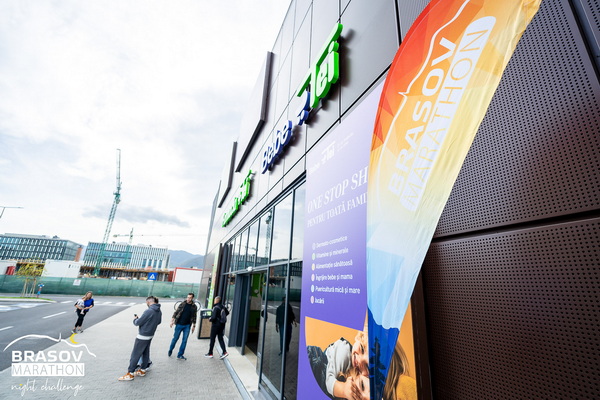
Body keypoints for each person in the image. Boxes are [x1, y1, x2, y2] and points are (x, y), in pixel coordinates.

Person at [307, 328, 369, 399]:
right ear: (359, 338)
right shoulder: (345, 351)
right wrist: (343, 389)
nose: (360, 360)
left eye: (367, 366)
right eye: (362, 349)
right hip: (314, 363)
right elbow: (329, 382)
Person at [118, 296, 162, 381]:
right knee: (145, 353)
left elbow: (138, 323)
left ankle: (130, 374)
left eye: (146, 303)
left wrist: (135, 319)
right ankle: (142, 370)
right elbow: (159, 322)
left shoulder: (149, 311)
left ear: (148, 302)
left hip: (143, 335)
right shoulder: (159, 311)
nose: (146, 304)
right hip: (150, 335)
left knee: (135, 354)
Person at [168, 292, 198, 360]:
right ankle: (170, 349)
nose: (188, 299)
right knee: (175, 338)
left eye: (190, 298)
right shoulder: (182, 304)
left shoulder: (194, 307)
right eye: (188, 297)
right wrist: (172, 321)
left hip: (187, 326)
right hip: (179, 324)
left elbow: (194, 316)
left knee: (184, 341)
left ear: (192, 298)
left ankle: (180, 355)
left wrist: (194, 326)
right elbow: (176, 312)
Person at [204, 295, 229, 360]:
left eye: (215, 300)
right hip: (222, 325)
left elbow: (213, 317)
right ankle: (224, 352)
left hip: (215, 325)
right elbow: (227, 312)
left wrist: (210, 319)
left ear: (216, 300)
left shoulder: (215, 307)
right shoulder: (223, 306)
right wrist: (221, 318)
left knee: (212, 339)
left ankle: (210, 353)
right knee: (220, 338)